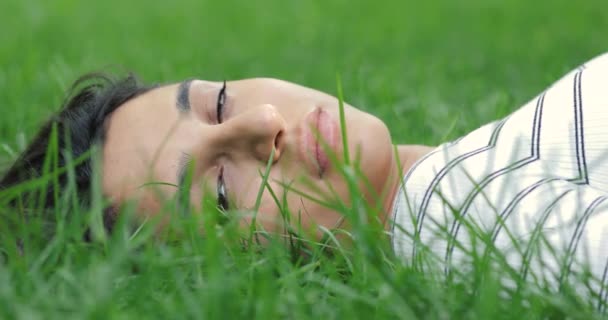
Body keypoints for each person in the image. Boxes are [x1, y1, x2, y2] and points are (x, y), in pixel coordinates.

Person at [2, 53, 608, 303]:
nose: (264, 123)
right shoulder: (454, 219)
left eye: (217, 104)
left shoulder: (467, 174)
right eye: (218, 191)